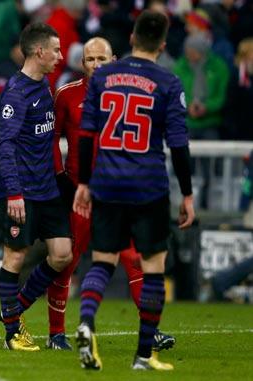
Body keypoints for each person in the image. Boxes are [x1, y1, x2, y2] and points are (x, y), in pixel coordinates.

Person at [73, 10, 194, 370]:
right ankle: (144, 355)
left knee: (102, 262)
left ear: (131, 40)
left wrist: (83, 182)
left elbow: (86, 133)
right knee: (153, 266)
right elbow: (179, 145)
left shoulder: (104, 77)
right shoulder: (169, 83)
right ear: (162, 44)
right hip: (148, 184)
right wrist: (187, 194)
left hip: (107, 182)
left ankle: (86, 321)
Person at [48, 37, 175, 352]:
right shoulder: (66, 95)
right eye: (89, 59)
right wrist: (62, 177)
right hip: (81, 193)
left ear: (113, 60)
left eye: (100, 59)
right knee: (68, 260)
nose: (95, 65)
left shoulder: (130, 93)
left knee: (134, 259)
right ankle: (55, 334)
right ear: (82, 63)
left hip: (118, 193)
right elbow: (51, 139)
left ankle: (151, 331)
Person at [0, 22, 72, 351]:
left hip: (47, 189)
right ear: (39, 52)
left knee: (62, 254)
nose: (60, 55)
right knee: (15, 256)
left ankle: (15, 308)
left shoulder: (44, 85)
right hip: (22, 192)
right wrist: (14, 193)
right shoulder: (16, 93)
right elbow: (6, 146)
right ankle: (13, 333)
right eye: (55, 49)